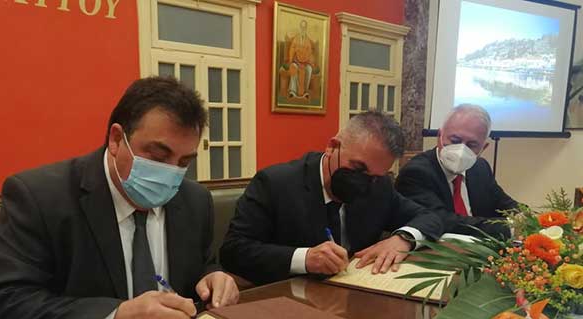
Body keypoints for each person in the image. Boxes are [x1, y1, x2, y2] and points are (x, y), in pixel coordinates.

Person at [0, 77, 239, 319]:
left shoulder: (195, 201)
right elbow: (2, 308)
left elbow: (203, 265)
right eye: (157, 156)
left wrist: (213, 277)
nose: (170, 173)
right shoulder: (40, 198)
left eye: (184, 162)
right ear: (116, 139)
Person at [220, 111, 444, 285]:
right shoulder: (275, 183)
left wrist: (403, 239)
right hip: (290, 302)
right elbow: (234, 251)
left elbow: (431, 217)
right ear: (332, 147)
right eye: (357, 168)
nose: (365, 182)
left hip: (358, 299)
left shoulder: (379, 188)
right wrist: (305, 259)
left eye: (376, 176)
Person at [395, 104, 519, 239]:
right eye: (455, 141)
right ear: (439, 136)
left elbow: (505, 204)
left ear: (483, 148)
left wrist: (527, 218)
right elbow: (442, 220)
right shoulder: (416, 173)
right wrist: (510, 228)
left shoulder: (480, 167)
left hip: (482, 246)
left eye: (471, 145)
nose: (461, 150)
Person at [288, 19, 315, 99]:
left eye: (304, 27)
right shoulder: (296, 38)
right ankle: (293, 91)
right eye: (302, 27)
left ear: (306, 28)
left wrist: (308, 61)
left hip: (305, 62)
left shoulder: (308, 40)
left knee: (309, 69)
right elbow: (292, 49)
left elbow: (310, 52)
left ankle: (305, 91)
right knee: (293, 67)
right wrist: (291, 60)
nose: (303, 29)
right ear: (300, 27)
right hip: (296, 61)